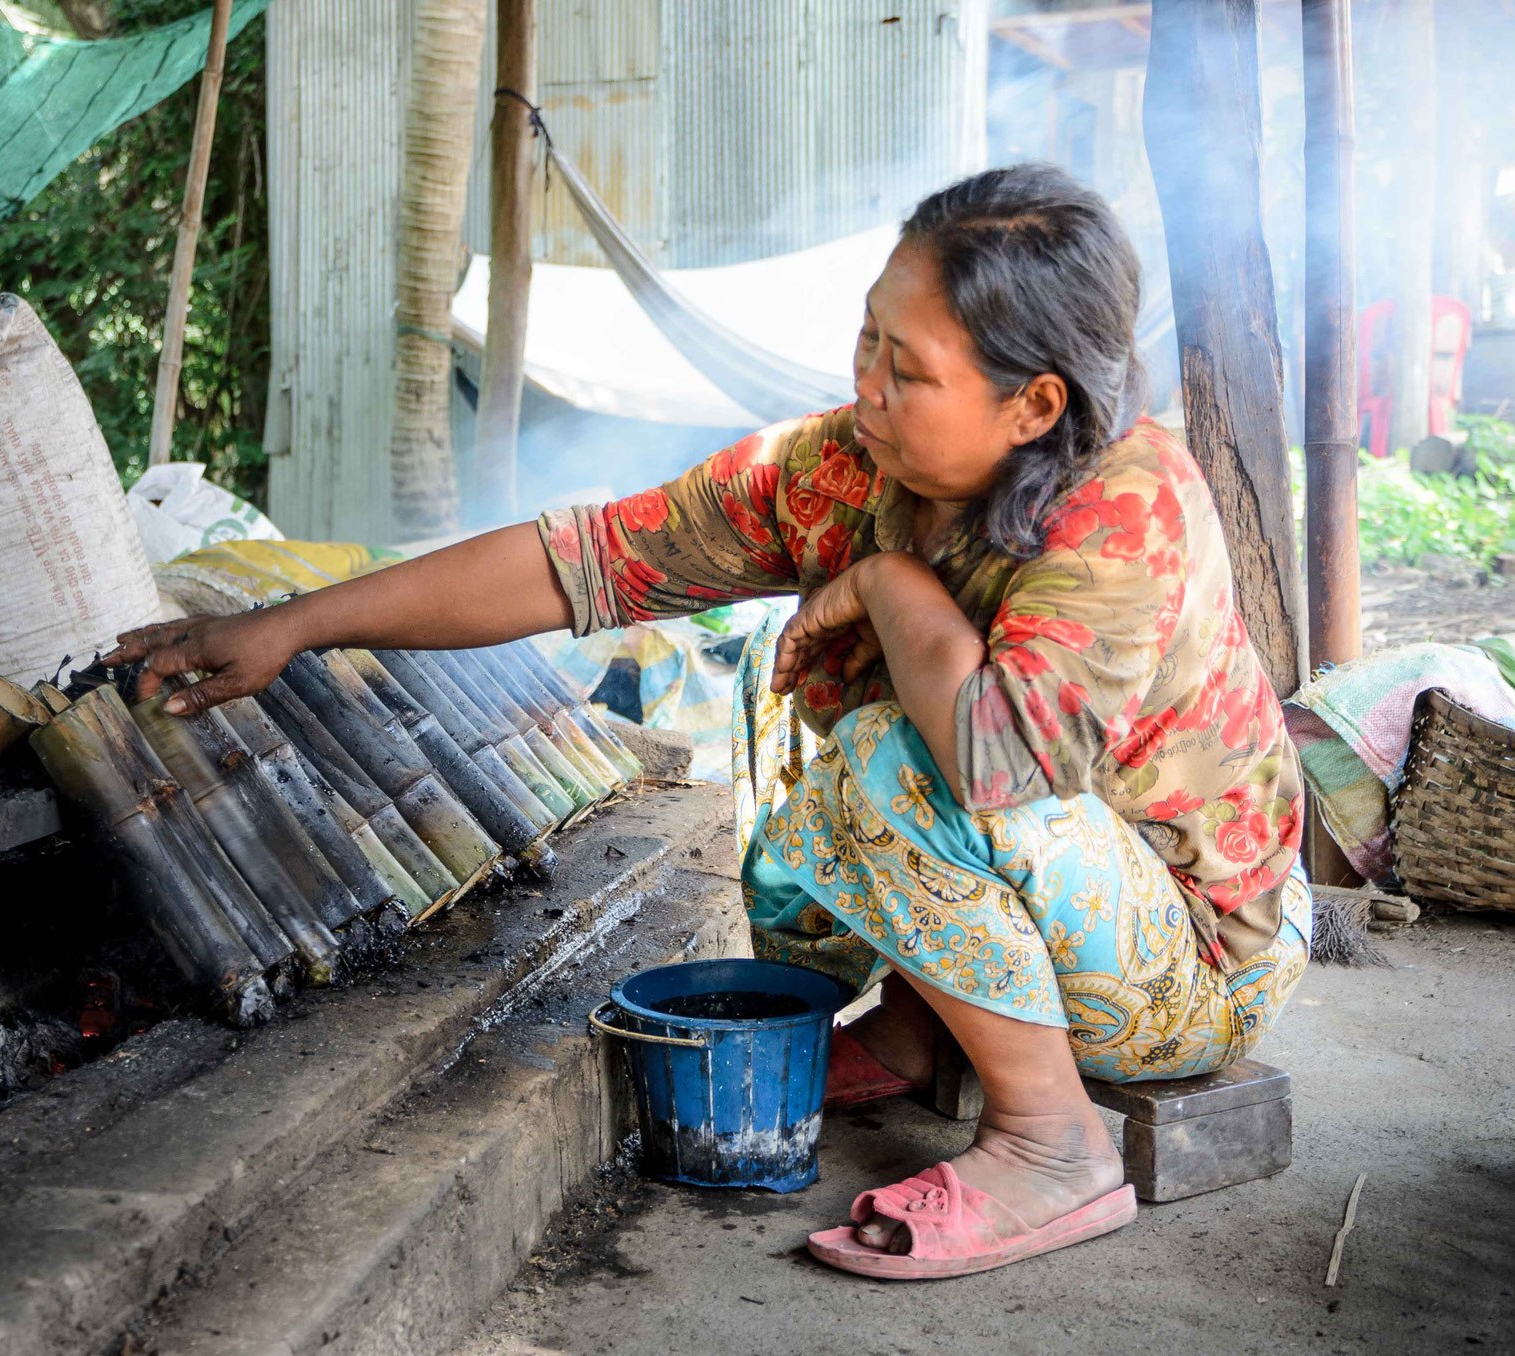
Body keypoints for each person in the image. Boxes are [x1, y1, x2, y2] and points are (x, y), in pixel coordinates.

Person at [108, 163, 1309, 1281]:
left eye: (907, 369)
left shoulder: (1126, 509)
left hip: (1195, 959)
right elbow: (588, 559)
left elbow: (994, 765)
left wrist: (886, 589)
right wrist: (296, 624)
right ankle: (912, 1028)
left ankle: (1052, 1145)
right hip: (1068, 902)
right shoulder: (841, 471)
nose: (865, 388)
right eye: (866, 341)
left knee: (902, 753)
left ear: (1032, 404)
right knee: (782, 678)